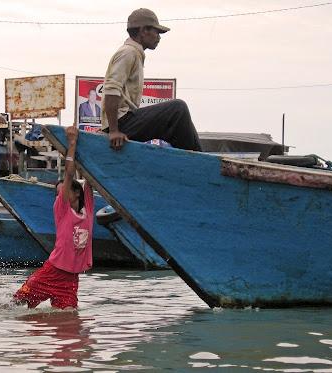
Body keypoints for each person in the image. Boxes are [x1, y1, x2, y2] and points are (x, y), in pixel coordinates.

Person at [14, 126, 94, 310]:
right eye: (58, 192)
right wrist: (72, 144)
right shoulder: (62, 209)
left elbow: (90, 178)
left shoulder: (88, 209)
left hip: (70, 278)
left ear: (76, 192)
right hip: (53, 271)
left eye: (64, 191)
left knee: (69, 321)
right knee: (17, 304)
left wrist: (85, 144)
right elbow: (69, 173)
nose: (60, 195)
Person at [102, 8, 202, 152]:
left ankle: (191, 156)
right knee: (178, 109)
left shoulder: (135, 53)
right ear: (143, 31)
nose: (158, 37)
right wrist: (113, 131)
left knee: (177, 121)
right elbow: (111, 90)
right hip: (122, 123)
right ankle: (198, 160)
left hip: (125, 121)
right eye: (157, 32)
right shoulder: (128, 52)